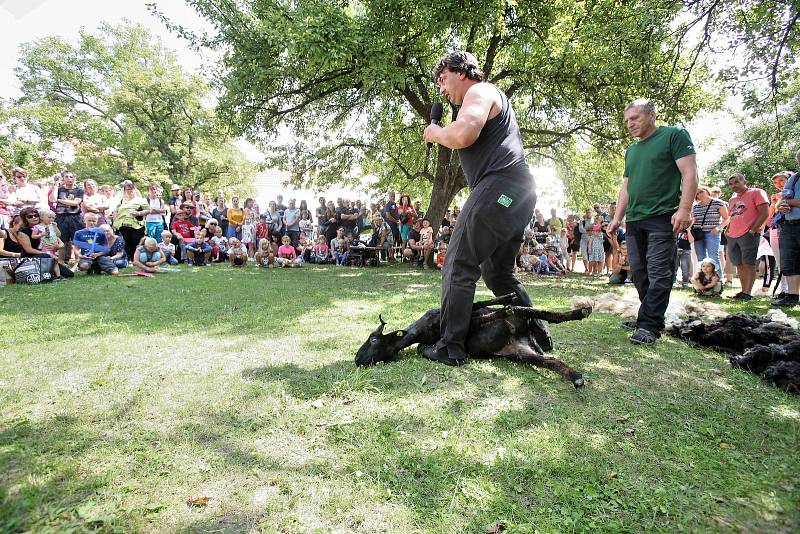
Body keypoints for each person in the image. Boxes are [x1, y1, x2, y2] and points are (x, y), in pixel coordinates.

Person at [422, 51, 547, 364]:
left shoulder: (480, 91)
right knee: (498, 273)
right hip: (517, 195)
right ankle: (537, 331)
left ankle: (450, 346)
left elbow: (463, 134)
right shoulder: (488, 97)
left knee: (459, 261)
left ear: (461, 71)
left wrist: (436, 132)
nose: (441, 88)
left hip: (500, 189)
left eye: (443, 78)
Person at [607, 98, 698, 345]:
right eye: (627, 120)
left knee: (659, 272)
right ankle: (649, 317)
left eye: (634, 118)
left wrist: (685, 209)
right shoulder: (632, 150)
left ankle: (649, 325)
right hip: (635, 220)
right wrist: (617, 217)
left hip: (663, 217)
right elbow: (626, 186)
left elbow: (690, 172)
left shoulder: (674, 135)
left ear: (652, 115)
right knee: (639, 273)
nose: (630, 124)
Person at [725, 173, 769, 301]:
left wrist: (753, 230)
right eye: (731, 184)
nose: (734, 185)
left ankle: (747, 293)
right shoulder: (732, 199)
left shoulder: (757, 192)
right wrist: (727, 231)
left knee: (748, 264)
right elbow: (731, 217)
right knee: (739, 264)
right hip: (732, 235)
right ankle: (743, 291)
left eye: (737, 182)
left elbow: (764, 212)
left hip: (748, 234)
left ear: (745, 181)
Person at [774, 149, 800, 307]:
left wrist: (788, 203)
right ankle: (792, 296)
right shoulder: (794, 178)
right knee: (789, 261)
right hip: (789, 224)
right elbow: (782, 199)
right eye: (799, 158)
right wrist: (782, 205)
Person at [690, 186, 728, 271]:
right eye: (697, 194)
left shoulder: (718, 203)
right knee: (700, 257)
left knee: (713, 256)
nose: (700, 194)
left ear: (707, 191)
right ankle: (703, 279)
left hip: (712, 233)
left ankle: (718, 280)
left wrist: (718, 228)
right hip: (698, 233)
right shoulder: (695, 207)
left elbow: (727, 218)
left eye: (701, 192)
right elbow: (693, 220)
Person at [50, 170, 84, 264]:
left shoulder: (79, 190)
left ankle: (78, 261)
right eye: (66, 177)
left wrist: (59, 200)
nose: (69, 179)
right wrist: (56, 186)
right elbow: (52, 199)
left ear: (74, 178)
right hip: (61, 217)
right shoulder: (59, 189)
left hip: (75, 217)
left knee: (76, 240)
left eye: (71, 177)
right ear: (63, 178)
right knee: (61, 240)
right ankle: (60, 261)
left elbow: (75, 202)